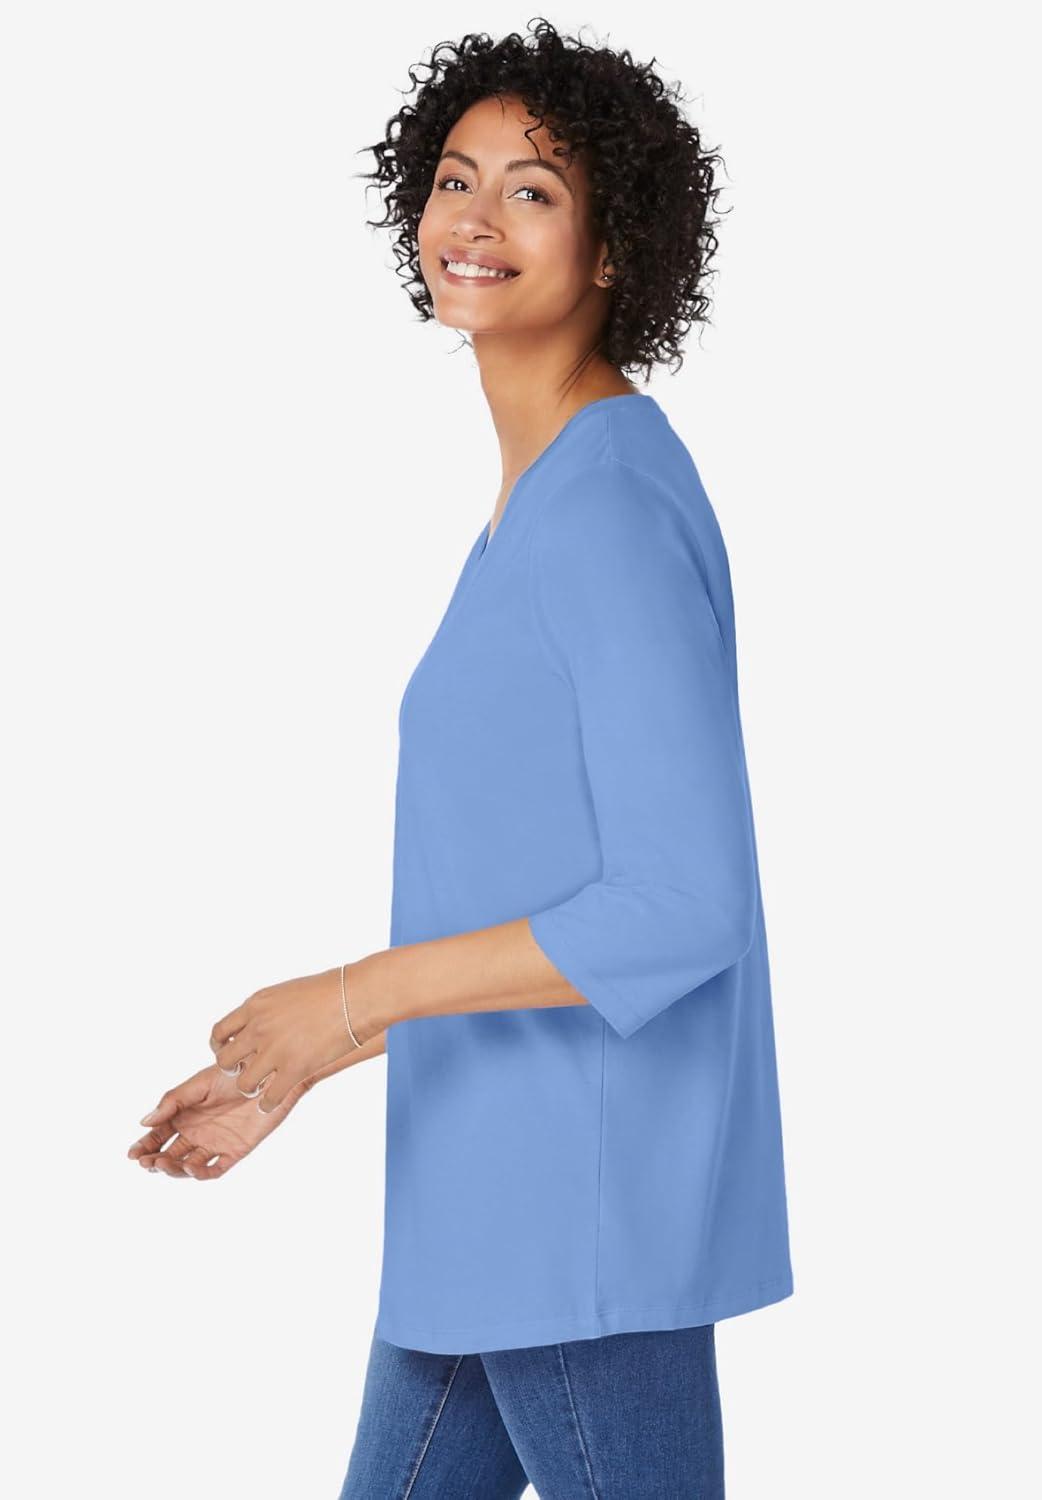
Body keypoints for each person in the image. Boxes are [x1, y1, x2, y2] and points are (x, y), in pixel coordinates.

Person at [128, 21, 793, 1498]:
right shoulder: (544, 501)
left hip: (573, 1218)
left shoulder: (605, 512)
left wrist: (348, 998)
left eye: (533, 191)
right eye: (453, 179)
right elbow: (524, 883)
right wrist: (310, 1053)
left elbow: (682, 904)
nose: (474, 218)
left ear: (613, 247)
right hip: (491, 1195)